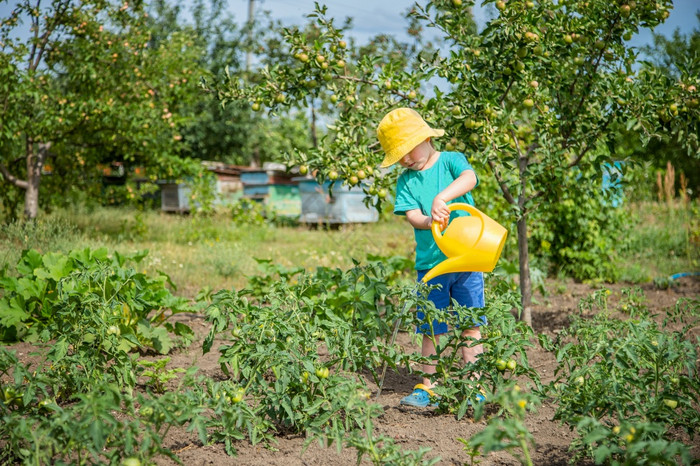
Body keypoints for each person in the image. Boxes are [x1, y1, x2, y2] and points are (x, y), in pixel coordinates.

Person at [376, 107, 486, 408]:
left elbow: (470, 178)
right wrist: (430, 221)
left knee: (470, 323)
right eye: (398, 156)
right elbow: (412, 215)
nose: (406, 159)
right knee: (431, 328)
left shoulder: (451, 161)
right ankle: (429, 387)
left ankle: (474, 385)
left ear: (425, 137)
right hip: (431, 264)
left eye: (407, 150)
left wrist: (442, 198)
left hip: (467, 258)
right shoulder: (406, 181)